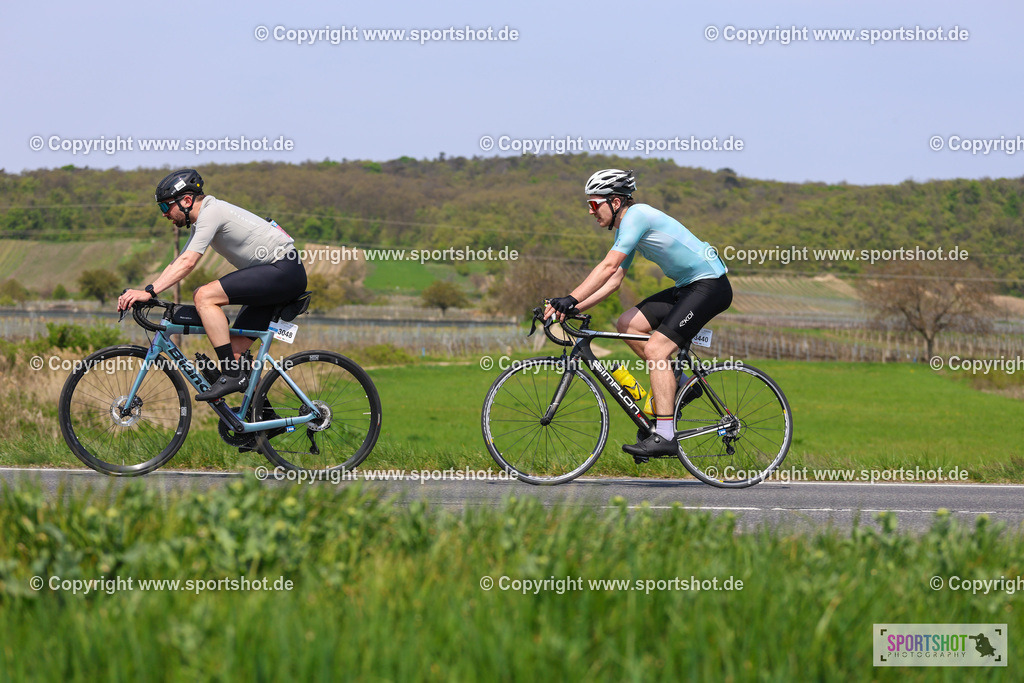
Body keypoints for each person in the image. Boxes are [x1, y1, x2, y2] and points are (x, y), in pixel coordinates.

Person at [544, 169, 732, 457]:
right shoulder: (626, 228)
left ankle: (666, 436)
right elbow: (615, 279)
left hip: (710, 286)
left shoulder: (638, 216)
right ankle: (681, 385)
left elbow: (607, 267)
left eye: (594, 205)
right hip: (687, 287)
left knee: (657, 350)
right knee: (627, 323)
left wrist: (570, 298)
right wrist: (573, 308)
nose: (591, 212)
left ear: (615, 202)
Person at [117, 169, 307, 401]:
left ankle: (230, 375)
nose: (165, 215)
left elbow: (188, 262)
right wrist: (149, 288)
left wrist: (149, 292)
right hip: (278, 275)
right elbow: (179, 260)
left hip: (284, 270)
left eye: (166, 207)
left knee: (204, 296)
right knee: (235, 352)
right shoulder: (204, 219)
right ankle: (263, 422)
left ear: (186, 201)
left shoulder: (211, 211)